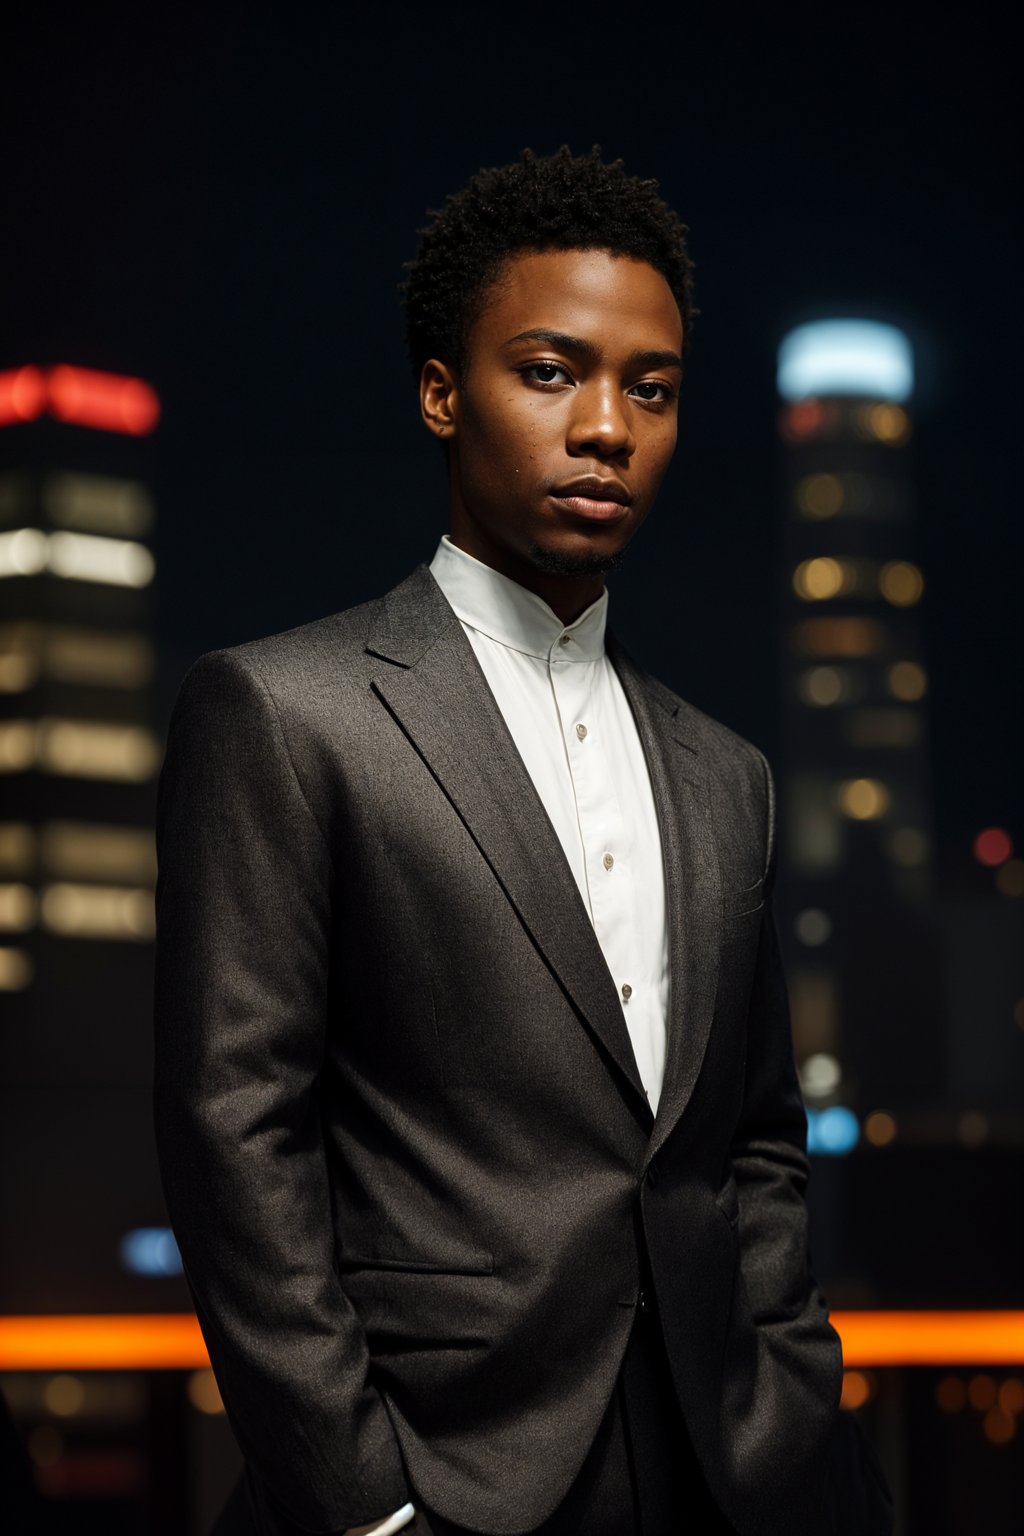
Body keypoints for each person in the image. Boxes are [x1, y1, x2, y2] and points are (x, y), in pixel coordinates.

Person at [154, 147, 892, 1536]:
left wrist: (786, 1389)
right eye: (550, 372)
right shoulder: (282, 712)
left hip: (728, 1468)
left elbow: (756, 1141)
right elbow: (236, 1140)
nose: (606, 426)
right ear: (443, 392)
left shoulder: (728, 774)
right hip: (438, 1476)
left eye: (651, 389)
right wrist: (362, 1503)